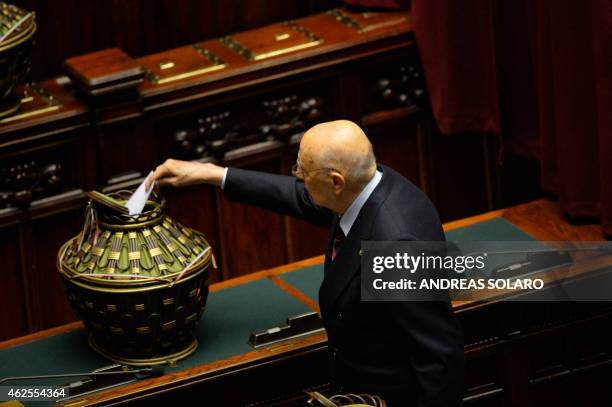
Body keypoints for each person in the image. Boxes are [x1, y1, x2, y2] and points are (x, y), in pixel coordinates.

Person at [149, 120, 464, 406]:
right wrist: (213, 174)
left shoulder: (397, 246)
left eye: (303, 172)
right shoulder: (366, 185)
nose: (298, 176)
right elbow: (299, 197)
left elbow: (438, 355)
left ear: (336, 181)